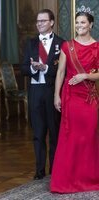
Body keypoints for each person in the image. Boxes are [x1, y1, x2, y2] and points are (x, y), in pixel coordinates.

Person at [50, 9, 99, 193]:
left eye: (83, 23)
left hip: (89, 98)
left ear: (91, 24)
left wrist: (85, 75)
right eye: (77, 22)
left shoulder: (97, 47)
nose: (79, 26)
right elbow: (61, 72)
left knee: (88, 137)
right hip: (71, 97)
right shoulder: (67, 46)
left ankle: (89, 177)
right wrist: (56, 95)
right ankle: (67, 180)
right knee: (71, 138)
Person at [21, 9, 64, 180]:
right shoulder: (30, 43)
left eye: (43, 21)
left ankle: (55, 169)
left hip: (53, 92)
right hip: (36, 92)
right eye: (38, 21)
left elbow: (64, 70)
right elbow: (24, 67)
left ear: (51, 22)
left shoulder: (61, 44)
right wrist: (33, 68)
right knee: (38, 133)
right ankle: (39, 170)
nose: (39, 24)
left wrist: (45, 68)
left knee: (54, 133)